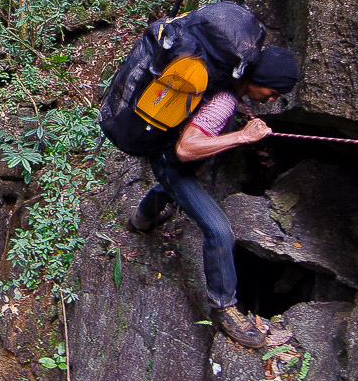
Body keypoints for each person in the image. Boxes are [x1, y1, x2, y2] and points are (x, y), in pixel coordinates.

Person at [128, 46, 299, 349]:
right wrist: (242, 137)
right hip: (172, 161)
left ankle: (141, 220)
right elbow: (186, 149)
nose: (272, 98)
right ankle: (224, 307)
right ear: (258, 78)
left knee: (168, 188)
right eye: (273, 91)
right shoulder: (222, 100)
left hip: (164, 156)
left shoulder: (225, 82)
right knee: (219, 230)